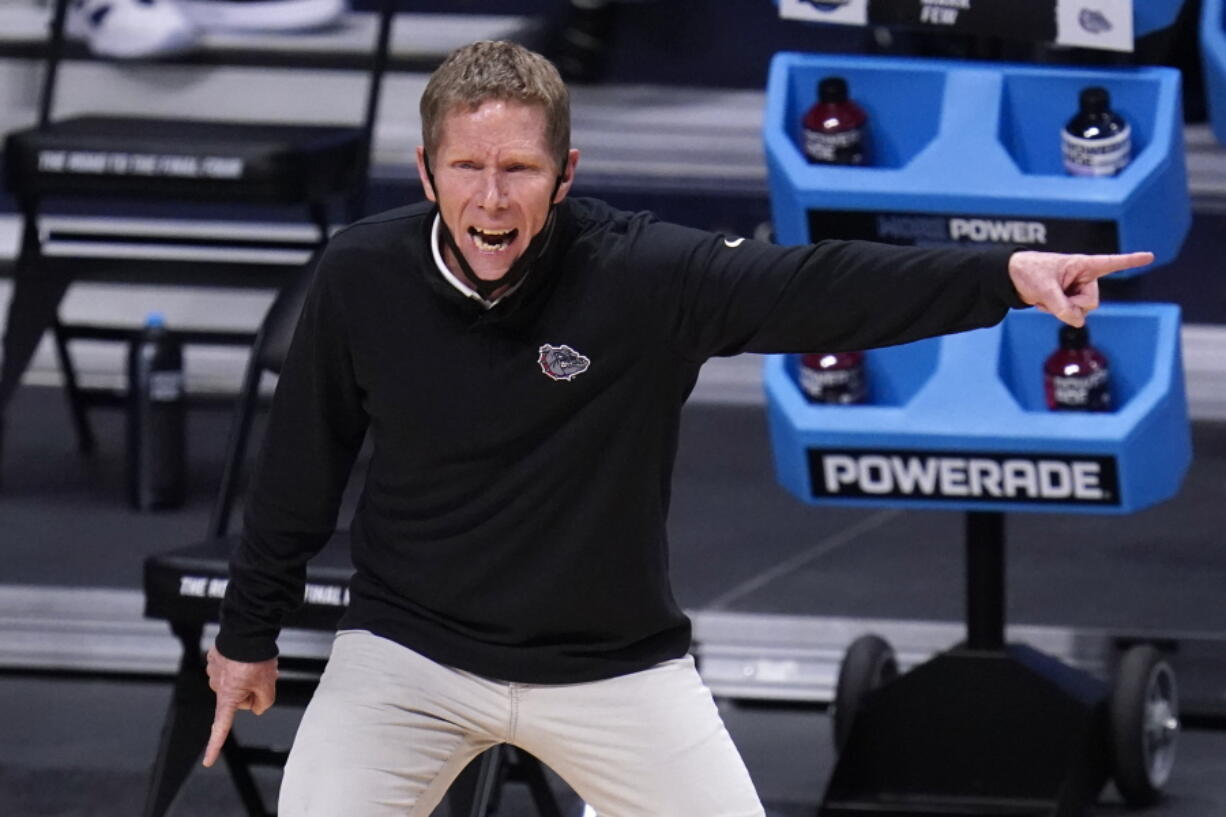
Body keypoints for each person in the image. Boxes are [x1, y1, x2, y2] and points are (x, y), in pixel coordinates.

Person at [203, 40, 1153, 817]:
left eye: (519, 169)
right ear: (425, 171)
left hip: (611, 665)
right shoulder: (361, 274)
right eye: (468, 167)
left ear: (565, 174)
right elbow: (299, 468)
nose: (492, 198)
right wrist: (248, 630)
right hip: (407, 654)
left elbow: (817, 286)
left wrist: (1000, 278)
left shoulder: (643, 275)